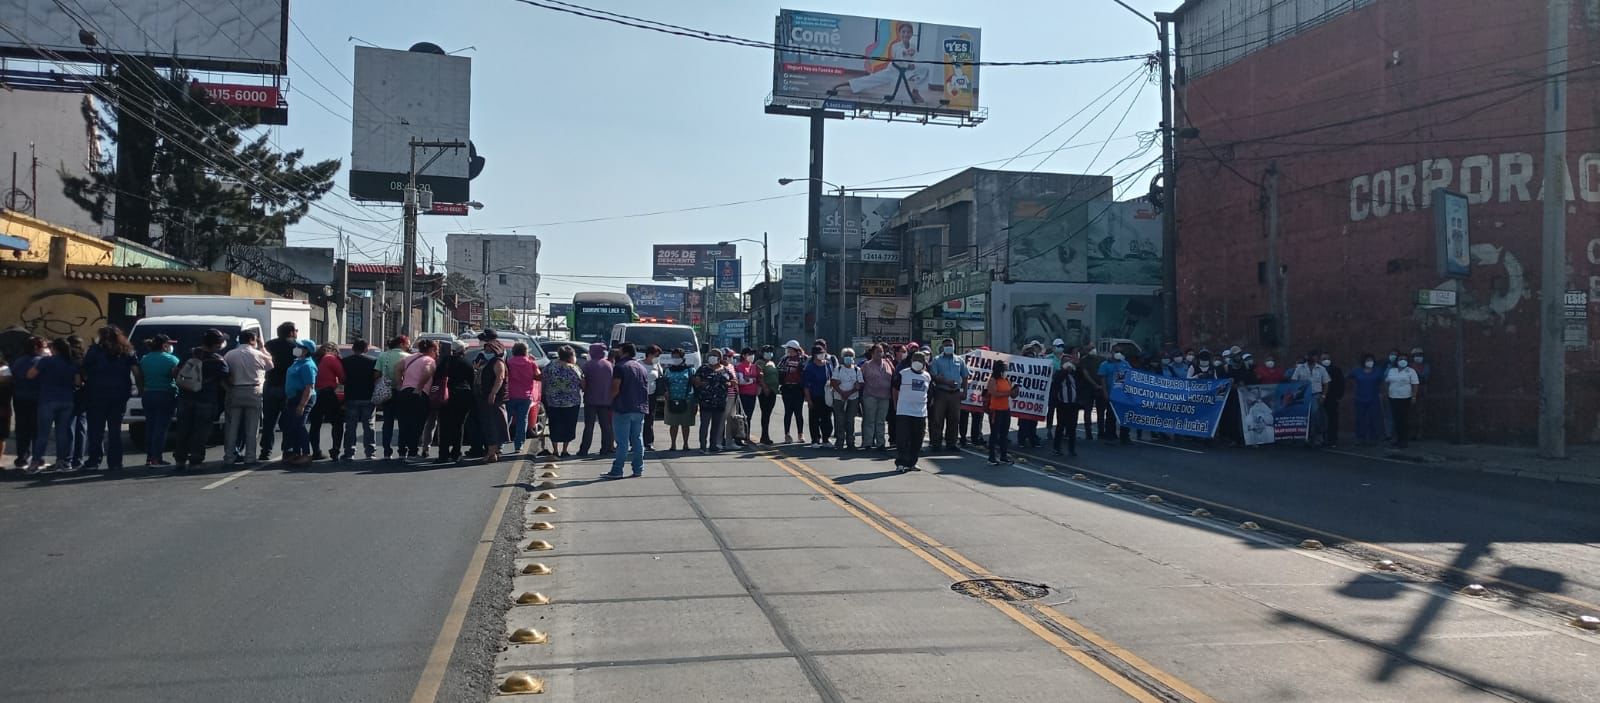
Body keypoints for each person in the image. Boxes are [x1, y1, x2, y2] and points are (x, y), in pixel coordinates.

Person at [79, 325, 137, 472]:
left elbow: (84, 370)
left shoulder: (94, 350)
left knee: (96, 430)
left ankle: (94, 460)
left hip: (96, 394)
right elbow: (136, 371)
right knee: (115, 430)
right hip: (119, 395)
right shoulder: (126, 351)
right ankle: (115, 462)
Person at [173, 329, 230, 472]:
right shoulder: (218, 360)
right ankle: (195, 461)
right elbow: (224, 381)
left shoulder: (189, 354)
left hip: (186, 397)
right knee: (201, 431)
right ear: (217, 344)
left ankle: (180, 459)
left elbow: (175, 372)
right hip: (206, 399)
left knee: (183, 429)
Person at [26, 338, 80, 473]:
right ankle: (62, 462)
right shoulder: (71, 363)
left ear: (54, 349)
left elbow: (30, 375)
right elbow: (78, 382)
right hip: (67, 399)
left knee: (43, 433)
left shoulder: (45, 361)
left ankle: (35, 462)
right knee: (62, 433)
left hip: (48, 399)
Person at [221, 330, 273, 465]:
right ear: (252, 339)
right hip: (254, 390)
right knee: (252, 427)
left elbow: (224, 371)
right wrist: (262, 347)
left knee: (232, 426)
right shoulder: (258, 354)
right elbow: (270, 366)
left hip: (235, 390)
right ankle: (250, 457)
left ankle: (229, 456)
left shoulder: (230, 354)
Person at [605, 342, 650, 477]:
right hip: (639, 407)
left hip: (623, 407)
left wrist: (609, 400)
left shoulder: (620, 367)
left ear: (624, 351)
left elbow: (615, 387)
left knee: (622, 442)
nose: (618, 351)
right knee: (637, 439)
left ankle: (617, 469)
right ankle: (638, 469)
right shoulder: (641, 367)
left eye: (619, 349)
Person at [136, 335, 179, 467]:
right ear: (164, 345)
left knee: (150, 426)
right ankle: (156, 458)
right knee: (161, 428)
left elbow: (140, 376)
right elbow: (176, 376)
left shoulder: (145, 359)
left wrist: (142, 390)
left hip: (148, 394)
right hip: (166, 394)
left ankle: (149, 457)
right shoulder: (172, 359)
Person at [258, 321, 299, 461]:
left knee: (269, 420)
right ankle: (287, 450)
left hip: (270, 384)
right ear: (292, 331)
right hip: (288, 387)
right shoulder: (296, 347)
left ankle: (265, 450)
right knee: (288, 420)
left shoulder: (269, 345)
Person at [395, 339, 438, 460]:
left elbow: (397, 367)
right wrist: (419, 387)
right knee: (417, 424)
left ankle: (402, 451)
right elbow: (427, 371)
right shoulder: (429, 360)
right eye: (436, 350)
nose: (436, 353)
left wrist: (400, 384)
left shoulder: (411, 358)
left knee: (404, 423)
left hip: (405, 392)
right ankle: (413, 452)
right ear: (430, 350)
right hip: (419, 394)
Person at [279, 338, 319, 466]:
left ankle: (306, 454)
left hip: (303, 397)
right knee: (292, 425)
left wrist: (302, 405)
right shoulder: (297, 362)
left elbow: (309, 387)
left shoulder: (308, 365)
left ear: (306, 350)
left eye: (299, 347)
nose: (296, 348)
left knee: (299, 425)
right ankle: (296, 453)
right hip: (293, 397)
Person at [891, 351, 932, 472]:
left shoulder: (927, 376)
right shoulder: (903, 374)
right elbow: (895, 389)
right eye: (916, 360)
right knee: (903, 439)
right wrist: (895, 403)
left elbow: (928, 392)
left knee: (917, 439)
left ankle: (912, 462)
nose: (918, 363)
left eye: (921, 361)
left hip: (920, 412)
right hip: (904, 411)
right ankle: (901, 463)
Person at [9, 337, 46, 468]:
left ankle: (22, 457)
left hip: (20, 398)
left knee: (22, 428)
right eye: (42, 346)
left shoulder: (18, 361)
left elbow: (12, 378)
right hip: (37, 398)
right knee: (37, 428)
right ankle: (37, 457)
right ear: (37, 347)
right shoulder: (40, 361)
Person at [340, 340, 380, 461]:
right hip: (368, 396)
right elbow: (376, 377)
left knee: (350, 426)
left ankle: (349, 452)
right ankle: (370, 452)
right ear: (366, 349)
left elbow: (342, 379)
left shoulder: (345, 361)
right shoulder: (372, 361)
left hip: (351, 396)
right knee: (369, 425)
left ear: (353, 348)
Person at [927, 337, 969, 452]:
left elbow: (965, 376)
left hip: (955, 394)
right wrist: (945, 381)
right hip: (941, 392)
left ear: (954, 346)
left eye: (950, 345)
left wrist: (965, 391)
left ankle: (952, 443)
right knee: (938, 419)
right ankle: (936, 443)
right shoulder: (936, 360)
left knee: (954, 419)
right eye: (946, 345)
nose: (949, 347)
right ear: (943, 347)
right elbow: (933, 376)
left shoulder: (959, 360)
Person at [1049, 350, 1092, 457]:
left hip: (1073, 404)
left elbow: (1082, 376)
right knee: (1060, 427)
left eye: (1070, 361)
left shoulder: (1075, 373)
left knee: (1072, 428)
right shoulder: (1059, 373)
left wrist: (1077, 364)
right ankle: (1056, 448)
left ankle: (1071, 449)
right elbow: (1056, 382)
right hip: (1062, 403)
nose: (1069, 363)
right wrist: (1065, 371)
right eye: (1066, 361)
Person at [543, 346, 584, 457]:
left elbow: (543, 378)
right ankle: (564, 450)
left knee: (554, 425)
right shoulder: (574, 368)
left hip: (553, 401)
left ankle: (555, 450)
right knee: (569, 425)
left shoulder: (551, 366)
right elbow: (583, 384)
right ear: (570, 356)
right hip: (571, 403)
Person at [376, 335, 411, 459]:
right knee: (403, 422)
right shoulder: (408, 357)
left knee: (388, 422)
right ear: (402, 344)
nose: (409, 345)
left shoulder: (383, 355)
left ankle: (387, 451)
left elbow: (377, 373)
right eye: (408, 343)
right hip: (402, 391)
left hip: (387, 391)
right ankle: (402, 450)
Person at [309, 342, 345, 461]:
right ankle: (335, 450)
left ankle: (315, 451)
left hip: (313, 393)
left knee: (315, 424)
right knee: (337, 422)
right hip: (327, 393)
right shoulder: (330, 359)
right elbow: (342, 377)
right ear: (333, 350)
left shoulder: (314, 359)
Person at [579, 341, 614, 456]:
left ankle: (584, 450)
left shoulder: (588, 365)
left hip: (591, 399)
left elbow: (582, 381)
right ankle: (606, 448)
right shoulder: (609, 365)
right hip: (606, 399)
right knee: (606, 426)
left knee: (589, 426)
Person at [477, 340, 510, 462]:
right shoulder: (488, 362)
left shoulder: (497, 362)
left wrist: (493, 393)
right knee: (489, 425)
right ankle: (493, 452)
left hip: (495, 399)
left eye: (489, 350)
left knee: (493, 425)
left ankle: (491, 453)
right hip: (486, 397)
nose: (486, 352)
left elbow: (500, 378)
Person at [1290, 351, 1332, 446]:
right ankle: (1305, 436)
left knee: (1315, 414)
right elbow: (1293, 381)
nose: (1314, 358)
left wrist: (1323, 396)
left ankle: (1317, 436)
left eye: (1315, 356)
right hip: (1303, 396)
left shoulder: (1321, 369)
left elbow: (1326, 383)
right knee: (1304, 417)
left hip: (1315, 395)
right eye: (1312, 356)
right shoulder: (1300, 368)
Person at [693, 348, 730, 452]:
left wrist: (730, 383)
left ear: (720, 358)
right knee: (704, 424)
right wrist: (700, 383)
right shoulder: (703, 369)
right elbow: (696, 382)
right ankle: (703, 446)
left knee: (716, 425)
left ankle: (713, 445)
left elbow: (732, 380)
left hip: (720, 402)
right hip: (706, 401)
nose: (712, 357)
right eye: (711, 355)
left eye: (715, 355)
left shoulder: (725, 369)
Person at [505, 342, 540, 455]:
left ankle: (500, 445)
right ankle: (518, 445)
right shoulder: (531, 363)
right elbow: (538, 376)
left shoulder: (509, 363)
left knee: (506, 420)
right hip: (525, 396)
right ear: (526, 351)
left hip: (510, 395)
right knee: (522, 420)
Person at [984, 359, 1020, 465]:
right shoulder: (993, 380)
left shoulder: (1007, 380)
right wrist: (1009, 392)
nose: (1006, 371)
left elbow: (1012, 395)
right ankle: (991, 457)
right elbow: (994, 393)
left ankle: (1003, 456)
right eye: (1004, 369)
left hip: (1005, 410)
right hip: (995, 410)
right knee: (994, 434)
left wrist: (1015, 391)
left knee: (1004, 434)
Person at [859, 344, 895, 451]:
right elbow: (860, 379)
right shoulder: (867, 365)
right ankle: (868, 443)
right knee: (869, 420)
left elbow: (893, 374)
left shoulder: (887, 363)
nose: (880, 354)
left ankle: (881, 443)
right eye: (877, 352)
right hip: (870, 395)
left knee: (881, 420)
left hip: (884, 396)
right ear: (872, 353)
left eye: (881, 351)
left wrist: (890, 363)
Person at [830, 348, 864, 450]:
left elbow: (860, 384)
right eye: (846, 355)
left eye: (850, 355)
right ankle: (839, 441)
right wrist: (842, 393)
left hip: (853, 398)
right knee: (840, 420)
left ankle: (850, 442)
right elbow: (833, 382)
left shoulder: (857, 370)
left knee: (850, 420)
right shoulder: (838, 369)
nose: (848, 357)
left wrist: (849, 392)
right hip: (838, 398)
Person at [662, 347, 696, 450]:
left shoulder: (690, 370)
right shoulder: (668, 370)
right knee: (673, 424)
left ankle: (686, 444)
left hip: (687, 400)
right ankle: (673, 444)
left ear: (682, 358)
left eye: (677, 357)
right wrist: (665, 392)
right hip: (671, 400)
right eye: (673, 357)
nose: (675, 359)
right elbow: (664, 383)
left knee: (685, 424)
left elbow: (694, 385)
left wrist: (696, 402)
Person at [1097, 347, 1133, 445]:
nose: (1118, 353)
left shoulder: (1125, 364)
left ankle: (1125, 436)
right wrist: (1105, 392)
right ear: (1111, 353)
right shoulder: (1104, 365)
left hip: (1123, 395)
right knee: (1110, 416)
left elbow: (1131, 377)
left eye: (1120, 352)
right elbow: (1103, 380)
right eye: (1116, 351)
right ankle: (1110, 435)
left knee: (1124, 415)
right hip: (1111, 393)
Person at [1384, 356, 1420, 449]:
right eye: (1400, 359)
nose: (1402, 361)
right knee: (1396, 419)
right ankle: (1398, 439)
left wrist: (1414, 396)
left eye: (1404, 359)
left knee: (1404, 419)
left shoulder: (1411, 371)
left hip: (1405, 398)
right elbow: (1387, 382)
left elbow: (1415, 384)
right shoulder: (1392, 370)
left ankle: (1404, 440)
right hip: (1393, 397)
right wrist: (1387, 393)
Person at [801, 345, 835, 447]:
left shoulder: (828, 365)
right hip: (815, 396)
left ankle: (826, 439)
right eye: (819, 353)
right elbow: (806, 386)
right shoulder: (810, 368)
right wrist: (809, 400)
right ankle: (815, 439)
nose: (822, 355)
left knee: (827, 418)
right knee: (814, 419)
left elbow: (832, 379)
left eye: (823, 352)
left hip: (827, 396)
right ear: (814, 355)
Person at [1014, 341, 1045, 448]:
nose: (1030, 355)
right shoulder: (1020, 363)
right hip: (1023, 395)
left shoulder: (1039, 362)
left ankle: (1032, 439)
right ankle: (1021, 440)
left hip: (1034, 396)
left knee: (1033, 420)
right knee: (1023, 420)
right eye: (1029, 353)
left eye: (1032, 353)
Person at [1349, 353, 1384, 445]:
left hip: (1373, 398)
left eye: (1371, 360)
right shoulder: (1357, 371)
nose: (1370, 362)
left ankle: (1373, 438)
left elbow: (1383, 381)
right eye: (1368, 360)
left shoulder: (1378, 371)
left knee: (1373, 418)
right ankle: (1360, 438)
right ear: (1363, 361)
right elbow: (1347, 377)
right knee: (1360, 419)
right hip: (1360, 398)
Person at [777, 339, 807, 443]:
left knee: (798, 412)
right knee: (788, 412)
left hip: (798, 389)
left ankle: (800, 434)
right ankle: (787, 434)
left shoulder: (803, 359)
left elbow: (805, 372)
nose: (787, 350)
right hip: (787, 388)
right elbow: (779, 370)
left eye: (788, 348)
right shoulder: (784, 359)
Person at [734, 347, 761, 440]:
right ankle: (740, 436)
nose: (751, 356)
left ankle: (746, 435)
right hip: (743, 394)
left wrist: (750, 380)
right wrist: (752, 380)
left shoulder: (754, 367)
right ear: (744, 355)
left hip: (752, 394)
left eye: (752, 354)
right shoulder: (739, 366)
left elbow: (757, 379)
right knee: (742, 416)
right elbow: (741, 381)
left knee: (749, 416)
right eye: (749, 354)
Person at [640, 345, 663, 451]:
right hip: (639, 396)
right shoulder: (639, 364)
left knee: (649, 420)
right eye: (656, 355)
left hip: (651, 395)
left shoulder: (657, 365)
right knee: (638, 420)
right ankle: (635, 442)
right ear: (649, 354)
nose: (657, 357)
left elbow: (660, 378)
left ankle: (648, 442)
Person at [1320, 352, 1345, 448]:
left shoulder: (1336, 370)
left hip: (1332, 397)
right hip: (1320, 397)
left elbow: (1341, 383)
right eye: (1323, 359)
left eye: (1327, 358)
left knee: (1332, 419)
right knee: (1320, 418)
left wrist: (1339, 396)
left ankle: (1332, 439)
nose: (1326, 360)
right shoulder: (1318, 370)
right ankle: (1321, 438)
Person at [757, 345, 779, 445]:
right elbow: (760, 376)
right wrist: (765, 387)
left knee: (768, 414)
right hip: (764, 391)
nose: (769, 353)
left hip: (773, 391)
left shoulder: (772, 363)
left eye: (770, 351)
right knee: (765, 414)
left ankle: (765, 435)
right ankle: (764, 436)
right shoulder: (759, 363)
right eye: (767, 351)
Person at [1408, 346, 1430, 441]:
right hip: (1410, 392)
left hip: (1422, 392)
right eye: (1416, 355)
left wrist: (1415, 375)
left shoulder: (1426, 366)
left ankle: (1420, 433)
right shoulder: (1409, 366)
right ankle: (1412, 432)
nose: (1418, 357)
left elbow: (1424, 377)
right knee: (1411, 413)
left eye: (1420, 355)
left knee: (1421, 413)